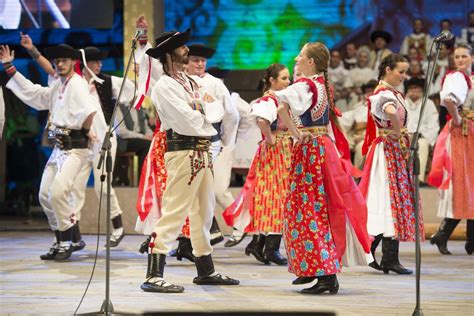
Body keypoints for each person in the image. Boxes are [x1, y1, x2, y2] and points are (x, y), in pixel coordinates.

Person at [140, 29, 239, 293]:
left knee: (204, 212)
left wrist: (204, 114)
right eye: (181, 47)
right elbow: (187, 119)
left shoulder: (190, 82)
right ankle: (153, 273)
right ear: (169, 54)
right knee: (175, 209)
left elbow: (214, 110)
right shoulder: (164, 85)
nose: (187, 50)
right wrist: (205, 114)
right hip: (183, 150)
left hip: (202, 151)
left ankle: (205, 269)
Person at [274, 42, 372, 294]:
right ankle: (315, 268)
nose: (296, 58)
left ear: (311, 62)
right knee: (321, 208)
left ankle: (324, 272)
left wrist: (296, 133)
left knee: (308, 210)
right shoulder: (322, 85)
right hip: (323, 148)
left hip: (310, 151)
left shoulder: (306, 85)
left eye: (301, 56)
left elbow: (281, 106)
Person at [1, 44, 96, 261]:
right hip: (59, 149)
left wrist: (87, 131)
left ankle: (67, 240)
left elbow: (89, 111)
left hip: (75, 148)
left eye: (64, 60)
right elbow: (35, 93)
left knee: (58, 192)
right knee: (45, 195)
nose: (60, 64)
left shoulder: (78, 84)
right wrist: (9, 66)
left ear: (73, 62)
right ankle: (62, 238)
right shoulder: (58, 85)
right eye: (57, 61)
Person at [359, 53, 424, 274]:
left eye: (405, 72)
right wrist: (398, 133)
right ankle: (385, 256)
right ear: (388, 69)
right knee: (387, 199)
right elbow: (391, 112)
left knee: (389, 200)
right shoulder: (384, 93)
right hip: (388, 150)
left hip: (391, 150)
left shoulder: (390, 92)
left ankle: (382, 253)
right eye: (401, 71)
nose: (404, 76)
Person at [223, 63, 291, 265]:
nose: (288, 82)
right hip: (275, 152)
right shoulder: (268, 100)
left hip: (282, 151)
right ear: (272, 81)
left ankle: (259, 243)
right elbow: (262, 121)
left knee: (272, 198)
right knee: (275, 197)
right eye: (284, 78)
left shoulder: (279, 99)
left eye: (288, 78)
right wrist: (271, 139)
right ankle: (269, 248)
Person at [427, 43, 473, 255]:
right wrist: (457, 118)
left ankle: (467, 241)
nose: (461, 59)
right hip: (461, 133)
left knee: (470, 185)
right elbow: (448, 99)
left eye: (465, 56)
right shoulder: (457, 78)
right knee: (462, 184)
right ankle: (444, 235)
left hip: (469, 133)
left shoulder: (468, 79)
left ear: (472, 58)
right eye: (457, 56)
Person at [404, 78, 439, 183]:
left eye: (416, 88)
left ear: (422, 90)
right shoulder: (402, 103)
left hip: (421, 136)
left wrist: (420, 136)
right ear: (407, 91)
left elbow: (433, 126)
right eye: (411, 88)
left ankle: (418, 179)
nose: (414, 91)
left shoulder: (429, 104)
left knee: (422, 145)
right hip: (404, 136)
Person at [340, 79, 377, 169]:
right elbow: (345, 119)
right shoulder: (359, 107)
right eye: (367, 91)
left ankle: (357, 177)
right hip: (355, 136)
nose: (369, 93)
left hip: (371, 137)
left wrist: (365, 137)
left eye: (371, 91)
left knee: (361, 149)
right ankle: (343, 176)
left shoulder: (380, 106)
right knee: (339, 145)